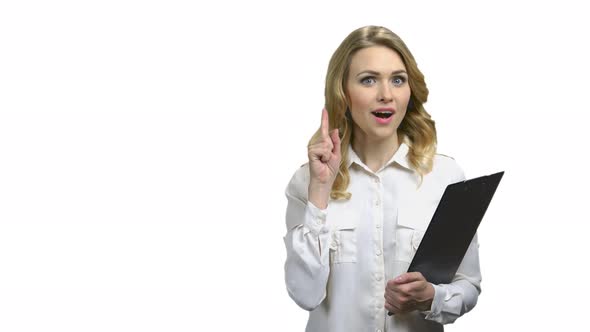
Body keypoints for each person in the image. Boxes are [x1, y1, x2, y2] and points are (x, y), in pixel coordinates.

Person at [282, 26, 481, 332]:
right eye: (369, 80)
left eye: (397, 80)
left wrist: (432, 297)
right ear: (343, 93)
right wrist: (320, 192)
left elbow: (468, 285)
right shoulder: (308, 181)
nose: (386, 94)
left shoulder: (446, 177)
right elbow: (305, 294)